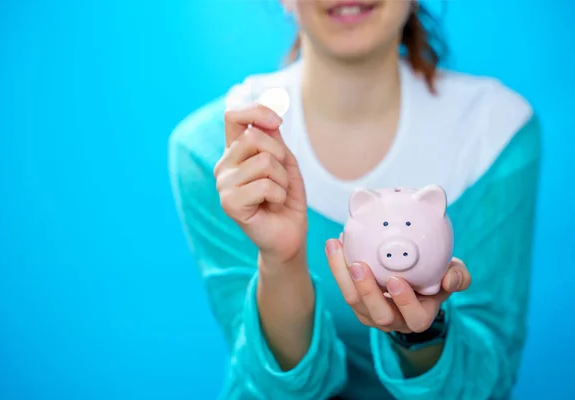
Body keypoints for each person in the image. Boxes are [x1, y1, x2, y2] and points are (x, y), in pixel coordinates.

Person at [168, 1, 541, 399]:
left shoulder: (494, 132)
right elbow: (268, 390)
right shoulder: (218, 152)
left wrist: (422, 335)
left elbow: (486, 383)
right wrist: (281, 262)